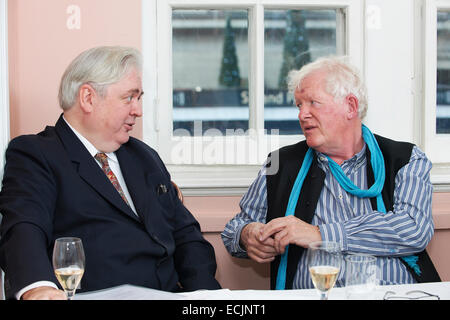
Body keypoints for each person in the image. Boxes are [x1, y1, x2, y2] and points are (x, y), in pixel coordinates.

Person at [0, 46, 221, 300]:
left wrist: (205, 297)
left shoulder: (145, 157)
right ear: (88, 98)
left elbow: (186, 236)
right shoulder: (37, 154)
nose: (138, 110)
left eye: (139, 98)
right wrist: (38, 287)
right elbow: (23, 227)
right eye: (129, 97)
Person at [222, 56, 441, 290]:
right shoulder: (280, 163)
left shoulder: (406, 158)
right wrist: (248, 235)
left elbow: (413, 228)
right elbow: (235, 228)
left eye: (313, 103)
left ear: (350, 106)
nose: (302, 114)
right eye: (299, 105)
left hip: (392, 295)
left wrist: (319, 234)